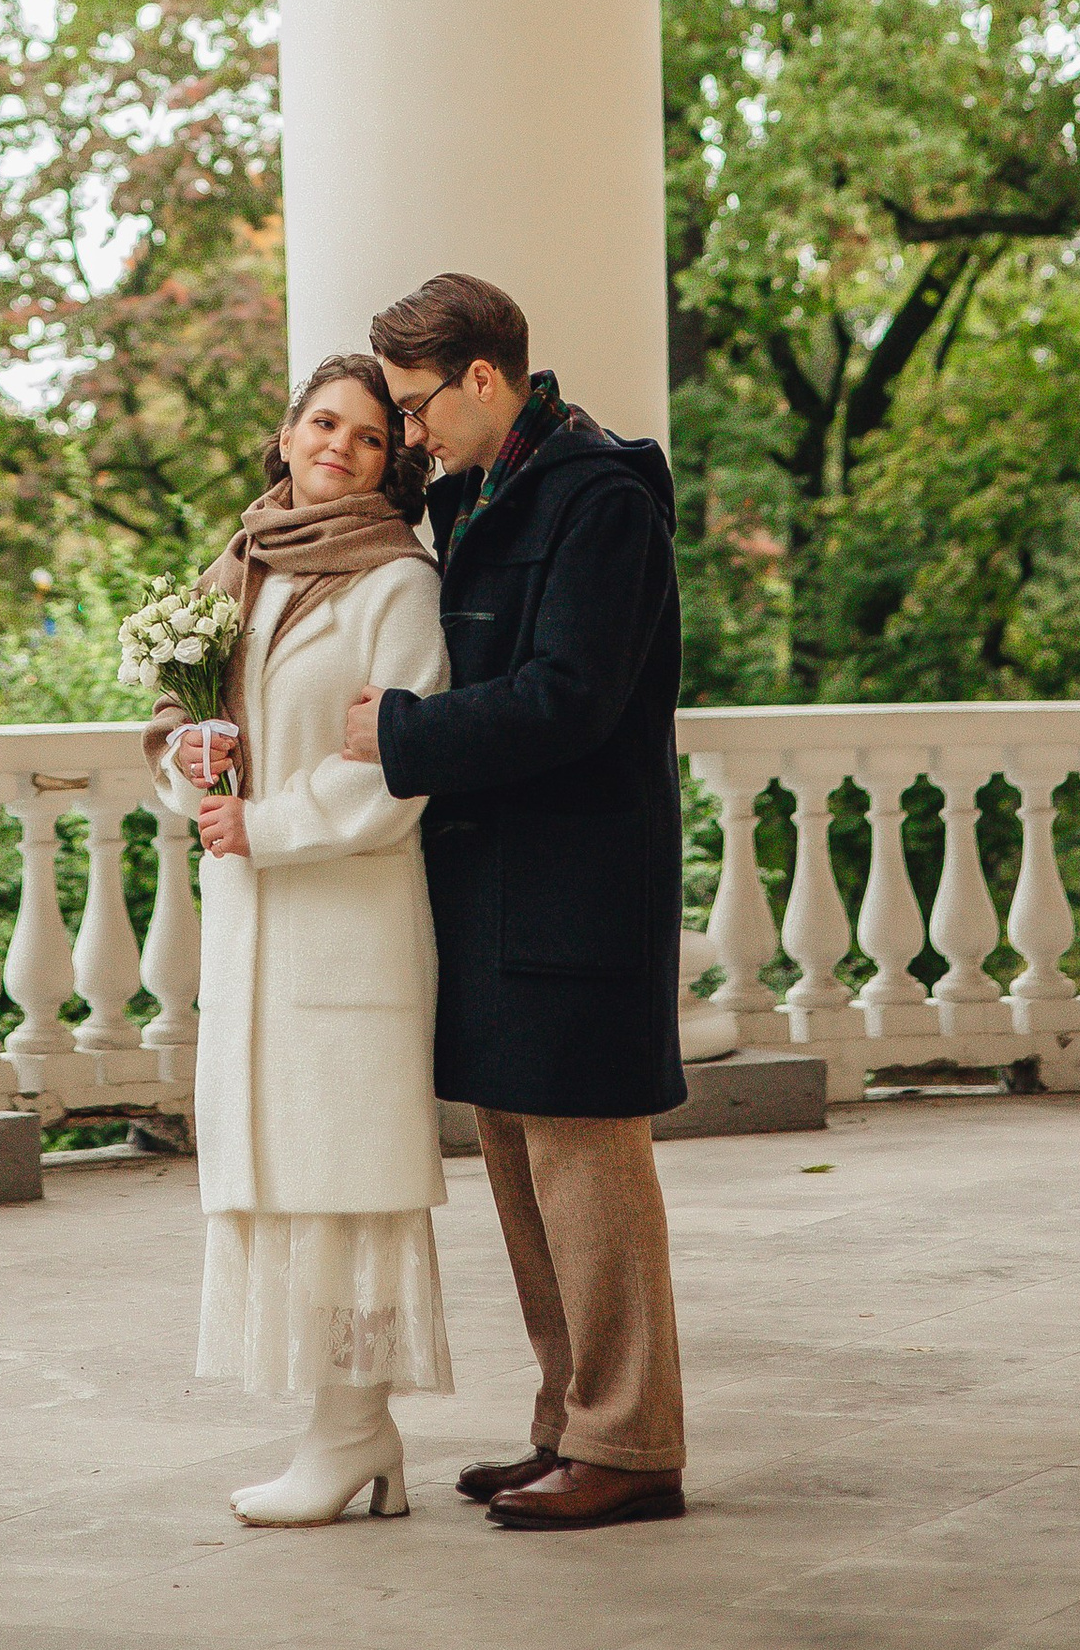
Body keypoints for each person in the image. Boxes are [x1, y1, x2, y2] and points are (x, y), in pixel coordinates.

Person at [344, 269, 690, 1534]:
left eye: (421, 406)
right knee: (520, 1164)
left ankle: (631, 1444)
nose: (412, 431)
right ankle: (568, 1422)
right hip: (491, 888)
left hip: (576, 888)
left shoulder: (596, 499)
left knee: (591, 1174)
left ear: (486, 379)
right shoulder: (480, 487)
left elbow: (568, 699)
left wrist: (399, 732)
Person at [147, 353, 452, 1528]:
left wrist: (263, 823)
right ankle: (345, 1433)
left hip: (348, 924)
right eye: (324, 423)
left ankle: (354, 1432)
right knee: (281, 1184)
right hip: (254, 930)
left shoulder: (396, 584)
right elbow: (184, 725)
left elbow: (399, 767)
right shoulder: (245, 564)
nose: (341, 447)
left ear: (393, 463)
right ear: (284, 435)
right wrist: (185, 766)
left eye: (371, 437)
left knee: (347, 1189)